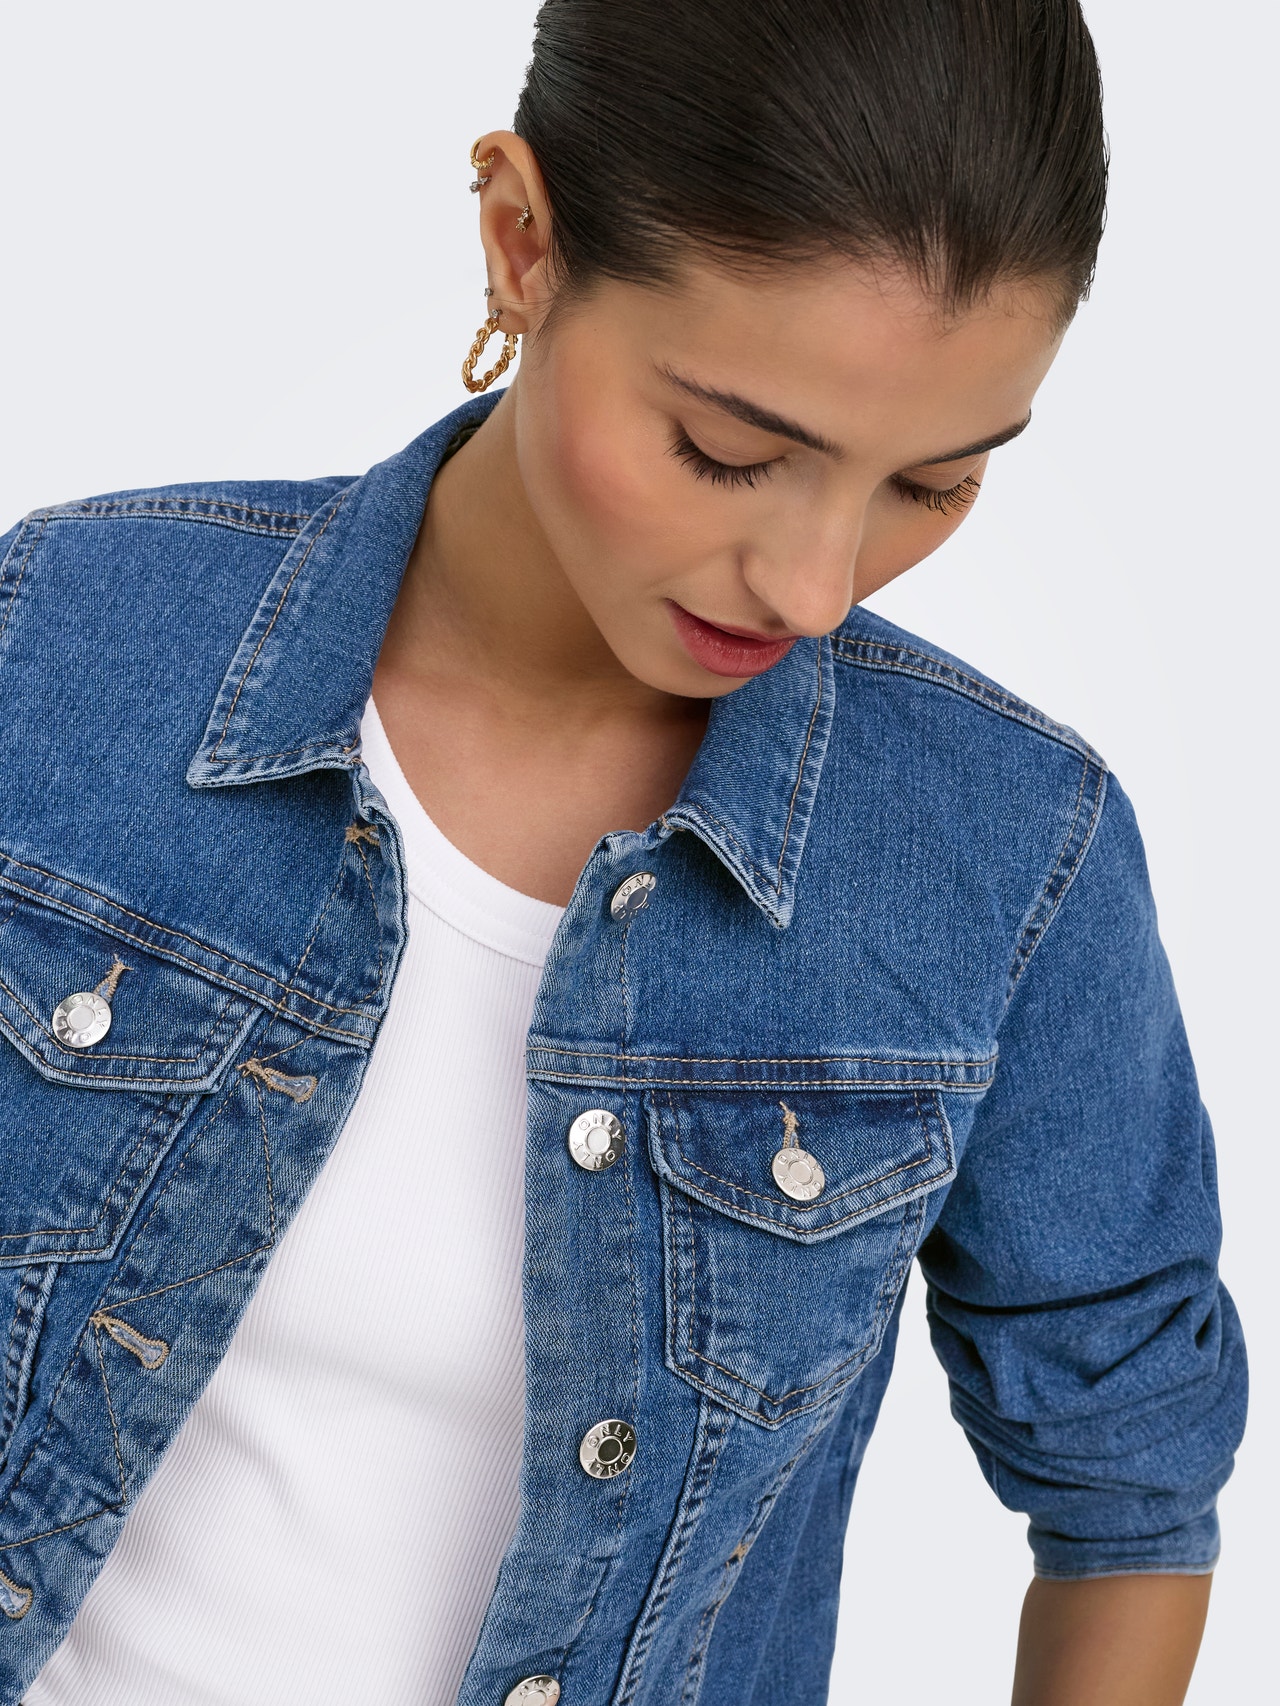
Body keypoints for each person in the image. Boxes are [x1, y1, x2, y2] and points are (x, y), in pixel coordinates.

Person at [0, 1, 1245, 1703]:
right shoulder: (62, 642)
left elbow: (1131, 1484)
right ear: (523, 242)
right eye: (731, 452)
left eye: (932, 483)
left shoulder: (1009, 857)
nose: (814, 585)